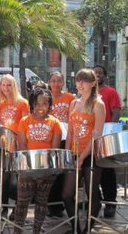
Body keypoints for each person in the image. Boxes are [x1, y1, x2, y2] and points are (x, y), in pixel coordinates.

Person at [62, 68, 105, 234]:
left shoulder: (98, 104)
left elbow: (96, 135)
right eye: (78, 80)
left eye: (84, 81)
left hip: (91, 155)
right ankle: (76, 229)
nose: (80, 84)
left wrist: (82, 157)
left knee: (91, 193)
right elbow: (71, 131)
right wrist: (68, 154)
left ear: (93, 83)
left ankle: (86, 229)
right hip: (74, 152)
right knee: (67, 194)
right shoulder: (73, 102)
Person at [14, 88, 62, 234]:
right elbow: (22, 147)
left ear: (49, 105)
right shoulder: (24, 121)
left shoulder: (55, 123)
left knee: (42, 202)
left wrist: (45, 168)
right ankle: (17, 231)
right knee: (22, 203)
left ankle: (37, 230)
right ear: (32, 104)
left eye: (45, 103)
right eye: (37, 103)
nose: (41, 107)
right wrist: (29, 167)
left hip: (47, 170)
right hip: (28, 169)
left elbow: (54, 150)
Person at [0, 74, 29, 219]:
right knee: (5, 177)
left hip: (18, 144)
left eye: (9, 85)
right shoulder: (1, 103)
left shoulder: (22, 103)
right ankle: (3, 208)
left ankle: (17, 209)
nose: (6, 88)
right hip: (5, 145)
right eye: (3, 85)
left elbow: (26, 125)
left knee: (18, 178)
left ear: (14, 86)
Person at [94, 64, 121, 218]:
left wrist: (110, 130)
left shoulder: (111, 92)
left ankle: (110, 203)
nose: (97, 75)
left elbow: (116, 111)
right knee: (91, 170)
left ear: (104, 75)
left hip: (105, 136)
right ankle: (95, 201)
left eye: (100, 72)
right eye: (95, 73)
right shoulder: (89, 93)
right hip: (92, 137)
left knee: (108, 171)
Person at [47, 71, 75, 217]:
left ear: (63, 82)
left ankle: (65, 204)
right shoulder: (45, 98)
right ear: (49, 83)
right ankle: (52, 206)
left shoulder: (71, 98)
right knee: (52, 171)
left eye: (59, 80)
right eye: (53, 81)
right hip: (51, 138)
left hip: (67, 139)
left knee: (64, 172)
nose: (56, 83)